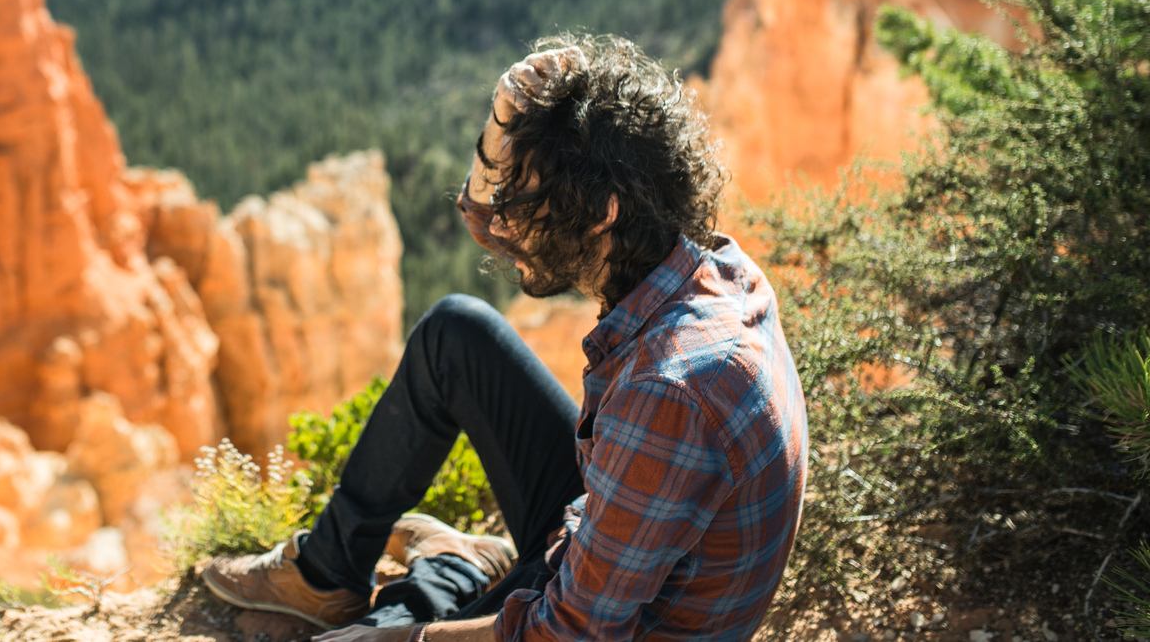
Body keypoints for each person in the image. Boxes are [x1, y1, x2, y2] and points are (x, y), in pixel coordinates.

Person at [202, 35, 808, 640]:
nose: (500, 225)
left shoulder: (669, 390)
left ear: (602, 214)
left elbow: (564, 635)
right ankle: (328, 576)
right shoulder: (714, 270)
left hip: (611, 625)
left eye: (520, 201)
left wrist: (406, 638)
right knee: (456, 334)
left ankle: (445, 581)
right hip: (612, 550)